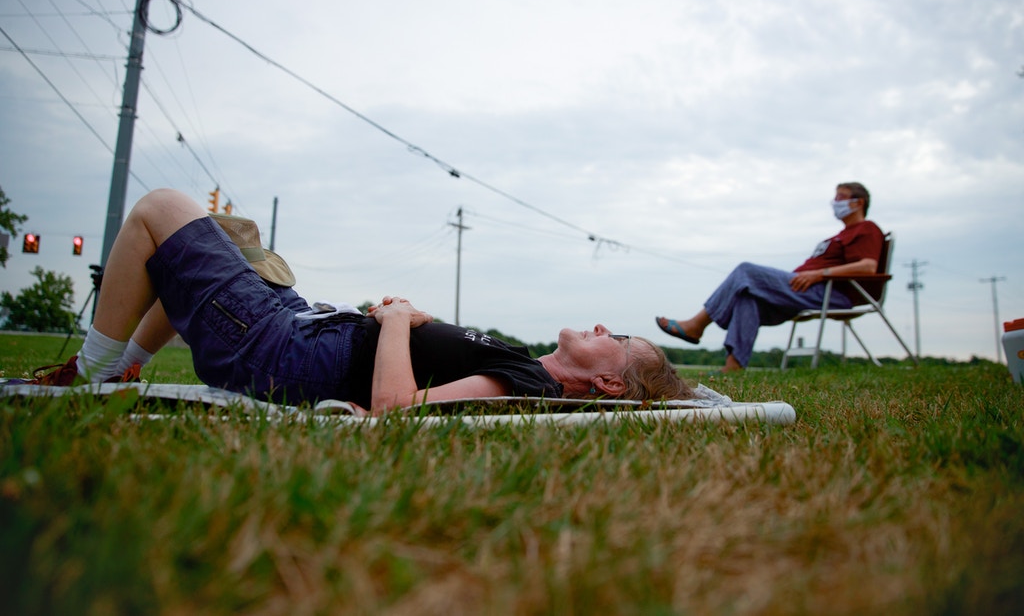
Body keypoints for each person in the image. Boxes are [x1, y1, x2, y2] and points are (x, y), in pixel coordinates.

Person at [29, 189, 695, 413]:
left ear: (608, 379)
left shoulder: (530, 383)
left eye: (620, 336)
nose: (606, 325)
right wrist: (395, 317)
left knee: (160, 210)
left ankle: (90, 376)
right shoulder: (524, 366)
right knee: (240, 239)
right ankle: (126, 368)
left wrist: (399, 318)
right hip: (302, 326)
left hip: (284, 351)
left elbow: (396, 410)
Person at [656, 182, 883, 373]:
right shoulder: (839, 235)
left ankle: (696, 325)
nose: (835, 203)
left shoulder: (867, 228)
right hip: (807, 289)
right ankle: (733, 366)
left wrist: (818, 273)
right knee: (748, 297)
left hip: (831, 293)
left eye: (841, 197)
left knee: (746, 271)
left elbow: (868, 267)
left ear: (858, 202)